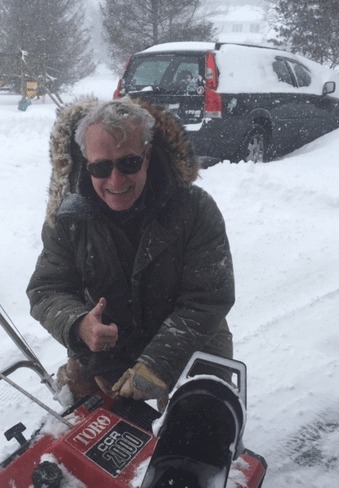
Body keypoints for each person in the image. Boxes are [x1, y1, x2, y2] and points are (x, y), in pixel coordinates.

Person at [27, 97, 235, 409]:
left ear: (147, 156)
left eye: (129, 163)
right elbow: (47, 289)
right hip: (109, 348)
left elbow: (206, 301)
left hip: (190, 344)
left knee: (198, 426)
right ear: (86, 162)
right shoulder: (68, 218)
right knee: (83, 423)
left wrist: (158, 363)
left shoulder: (196, 210)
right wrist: (79, 324)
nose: (115, 180)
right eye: (100, 167)